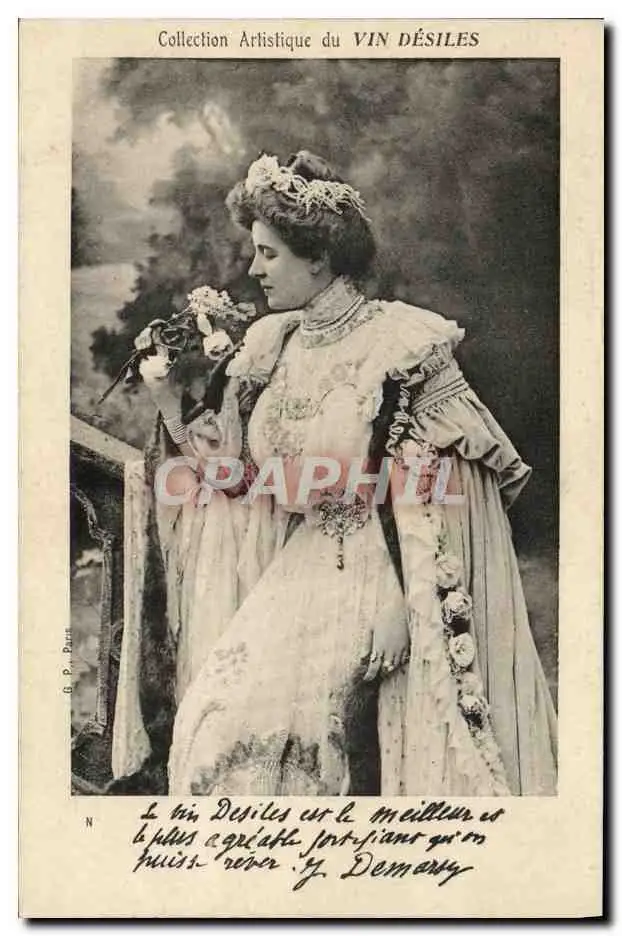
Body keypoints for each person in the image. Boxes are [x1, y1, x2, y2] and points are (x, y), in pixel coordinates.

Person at [140, 151, 557, 796]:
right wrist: (168, 400)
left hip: (385, 571)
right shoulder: (271, 345)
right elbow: (239, 480)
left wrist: (406, 607)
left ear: (320, 257)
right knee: (211, 725)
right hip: (299, 568)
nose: (253, 270)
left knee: (310, 744)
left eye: (268, 254)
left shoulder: (398, 343)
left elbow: (439, 495)